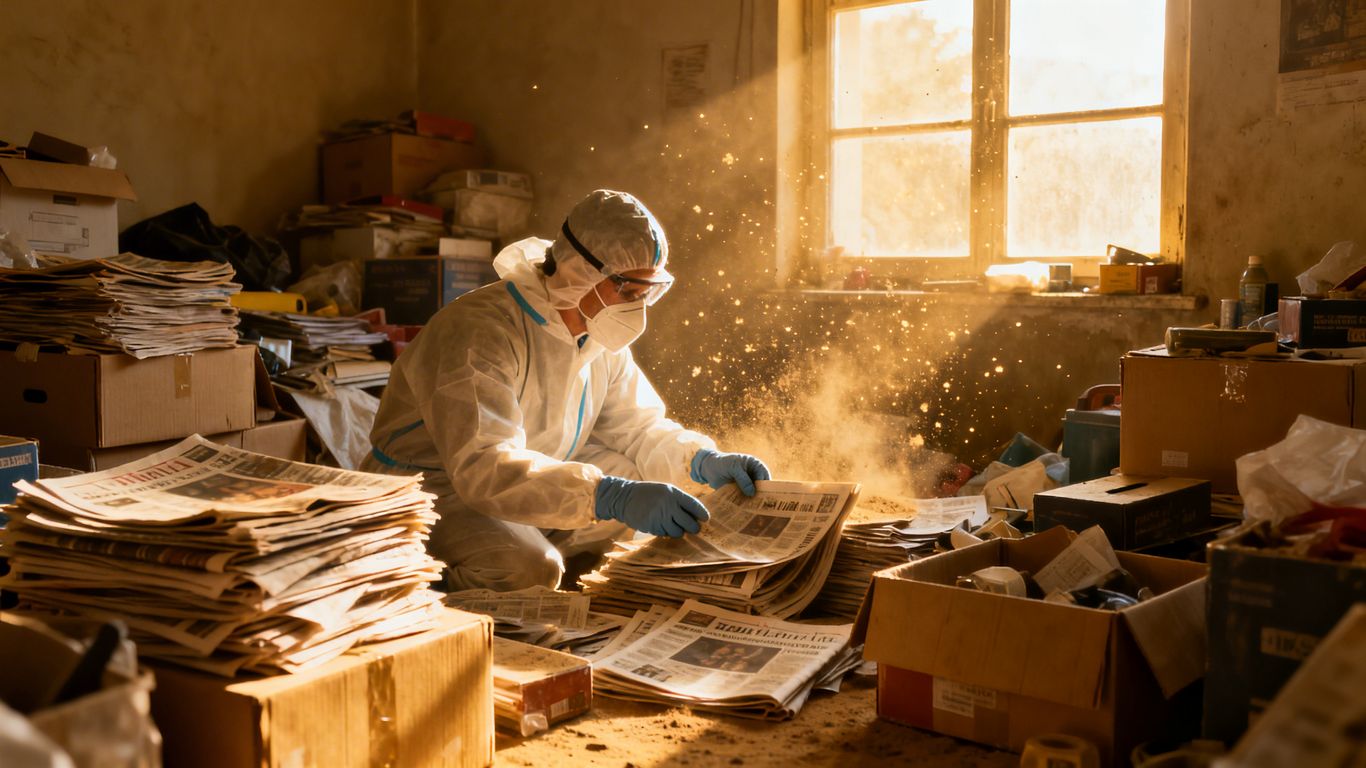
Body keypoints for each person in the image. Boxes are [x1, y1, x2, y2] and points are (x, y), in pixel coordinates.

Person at [363, 189, 770, 591]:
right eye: (628, 292)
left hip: (534, 467)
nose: (637, 309)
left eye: (646, 294)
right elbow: (484, 468)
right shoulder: (479, 332)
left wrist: (700, 461)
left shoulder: (598, 334)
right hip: (433, 489)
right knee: (530, 568)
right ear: (580, 273)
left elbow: (637, 428)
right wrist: (610, 496)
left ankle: (584, 586)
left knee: (648, 481)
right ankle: (418, 593)